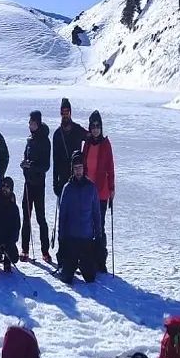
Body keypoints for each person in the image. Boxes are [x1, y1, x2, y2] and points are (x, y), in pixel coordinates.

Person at [52, 98, 87, 266]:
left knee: (77, 217)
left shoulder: (78, 130)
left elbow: (91, 139)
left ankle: (79, 254)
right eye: (62, 111)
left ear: (70, 112)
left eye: (67, 111)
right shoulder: (57, 134)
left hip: (78, 180)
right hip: (63, 183)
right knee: (64, 220)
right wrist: (55, 183)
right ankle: (63, 254)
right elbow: (54, 159)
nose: (65, 114)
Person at [58, 151, 102, 284]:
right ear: (72, 170)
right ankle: (67, 265)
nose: (78, 171)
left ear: (84, 168)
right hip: (71, 238)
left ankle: (85, 264)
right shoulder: (68, 188)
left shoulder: (91, 188)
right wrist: (61, 237)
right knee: (67, 278)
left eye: (80, 168)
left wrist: (98, 236)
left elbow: (96, 213)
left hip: (86, 238)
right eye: (76, 168)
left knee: (90, 278)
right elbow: (62, 215)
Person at [82, 110, 115, 273]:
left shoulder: (105, 144)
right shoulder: (87, 143)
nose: (95, 129)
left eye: (98, 126)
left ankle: (101, 260)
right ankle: (90, 258)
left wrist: (112, 188)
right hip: (88, 191)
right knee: (88, 226)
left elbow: (110, 167)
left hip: (101, 192)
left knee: (99, 226)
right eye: (93, 126)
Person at [20, 110, 51, 263]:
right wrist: (23, 164)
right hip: (28, 184)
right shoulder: (29, 140)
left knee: (41, 218)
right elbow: (26, 158)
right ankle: (24, 249)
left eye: (33, 123)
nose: (30, 125)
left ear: (38, 123)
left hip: (39, 185)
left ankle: (45, 251)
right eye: (29, 123)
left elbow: (45, 166)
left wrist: (30, 166)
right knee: (26, 217)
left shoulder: (45, 141)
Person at [0, 175, 21, 272]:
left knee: (14, 257)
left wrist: (11, 241)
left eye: (7, 187)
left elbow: (17, 227)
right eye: (3, 186)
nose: (5, 189)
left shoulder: (13, 207)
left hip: (8, 239)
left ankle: (7, 261)